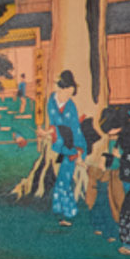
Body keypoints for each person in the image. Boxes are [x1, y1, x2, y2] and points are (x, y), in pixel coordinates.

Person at [44, 73, 88, 222]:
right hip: (58, 146)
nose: (68, 96)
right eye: (67, 92)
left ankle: (69, 211)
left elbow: (75, 130)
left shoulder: (71, 106)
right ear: (61, 89)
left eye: (71, 93)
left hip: (71, 146)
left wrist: (79, 153)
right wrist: (49, 132)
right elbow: (54, 123)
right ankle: (59, 207)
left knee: (65, 179)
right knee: (61, 178)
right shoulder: (51, 102)